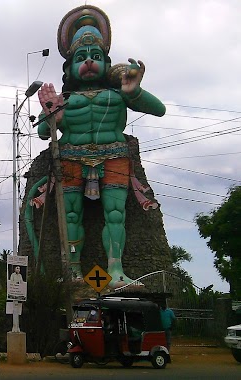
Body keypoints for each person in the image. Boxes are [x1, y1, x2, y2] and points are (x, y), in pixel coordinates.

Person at [36, 5, 165, 286]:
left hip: (114, 155)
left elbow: (160, 109)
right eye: (81, 57)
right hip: (70, 157)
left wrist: (135, 92)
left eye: (96, 56)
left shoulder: (119, 93)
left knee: (116, 215)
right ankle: (73, 271)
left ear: (107, 64)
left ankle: (116, 270)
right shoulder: (65, 99)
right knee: (70, 215)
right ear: (69, 67)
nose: (89, 61)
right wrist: (52, 115)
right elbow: (44, 134)